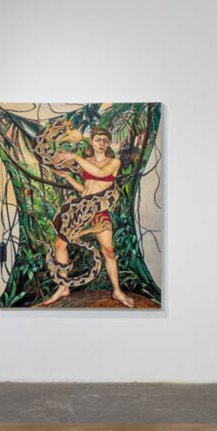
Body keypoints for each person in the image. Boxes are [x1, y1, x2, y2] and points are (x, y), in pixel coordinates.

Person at [37, 126, 135, 308]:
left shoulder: (114, 162)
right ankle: (63, 287)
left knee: (108, 251)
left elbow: (101, 174)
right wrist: (67, 176)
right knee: (60, 245)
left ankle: (117, 291)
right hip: (82, 208)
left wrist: (75, 157)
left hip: (98, 210)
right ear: (92, 142)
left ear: (109, 143)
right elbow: (85, 190)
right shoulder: (86, 161)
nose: (101, 143)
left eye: (105, 140)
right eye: (98, 139)